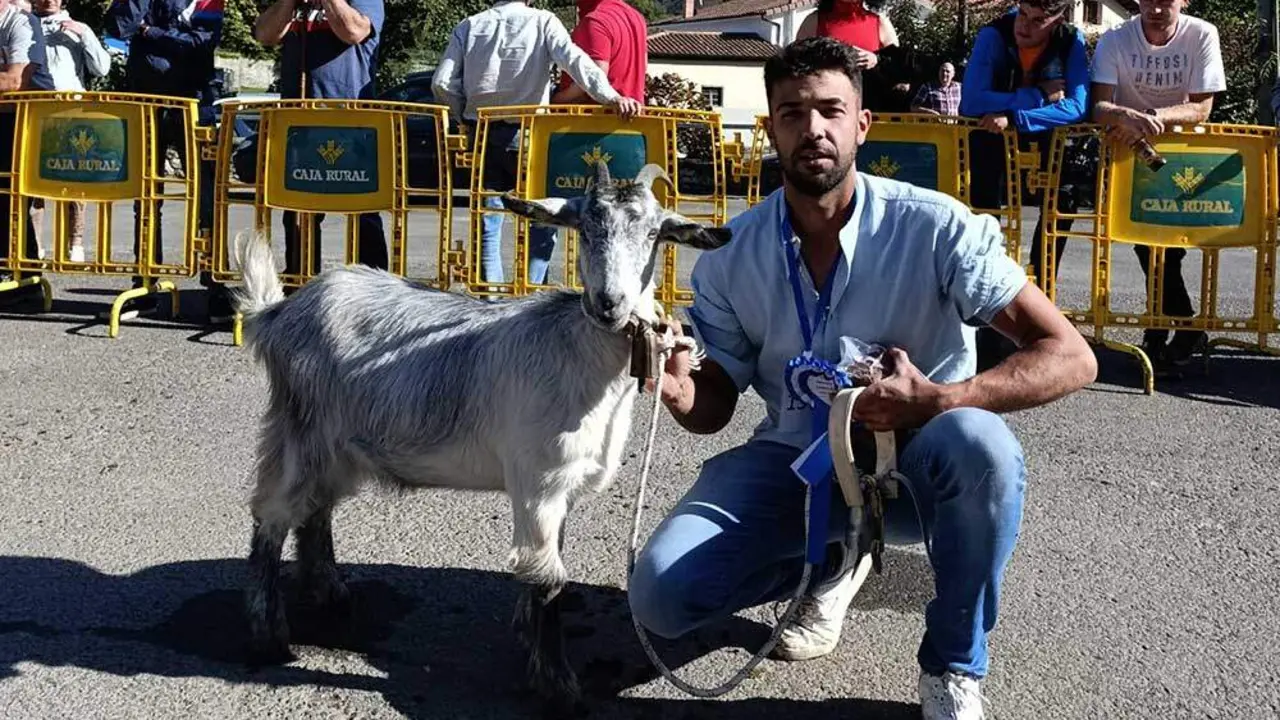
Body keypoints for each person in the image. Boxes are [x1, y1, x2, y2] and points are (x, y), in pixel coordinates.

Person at [627, 37, 1097, 720]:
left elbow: (1071, 354)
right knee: (662, 600)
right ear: (770, 128)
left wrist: (944, 399)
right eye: (791, 113)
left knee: (981, 445)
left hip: (918, 465)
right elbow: (714, 408)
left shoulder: (935, 228)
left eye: (830, 111)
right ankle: (831, 562)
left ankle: (953, 664)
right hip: (796, 464)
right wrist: (678, 389)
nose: (812, 129)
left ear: (862, 124)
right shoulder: (731, 257)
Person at [431, 0, 641, 285]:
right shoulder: (543, 21)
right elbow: (576, 61)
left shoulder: (469, 25)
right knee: (541, 221)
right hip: (531, 134)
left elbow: (441, 83)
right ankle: (529, 296)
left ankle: (491, 298)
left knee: (488, 221)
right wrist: (611, 97)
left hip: (482, 132)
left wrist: (464, 114)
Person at [1091, 0, 1225, 372]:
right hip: (1131, 153)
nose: (1155, 8)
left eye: (1165, 0)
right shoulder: (1116, 38)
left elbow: (1202, 108)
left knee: (1168, 244)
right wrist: (1124, 115)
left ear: (1183, 1)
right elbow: (1098, 106)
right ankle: (1175, 326)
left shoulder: (1201, 34)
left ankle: (1169, 327)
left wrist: (1153, 117)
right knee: (1145, 242)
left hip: (1184, 154)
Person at [105, 0, 229, 322]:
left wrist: (150, 32)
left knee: (206, 198)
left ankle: (215, 286)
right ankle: (144, 283)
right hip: (147, 102)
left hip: (194, 101)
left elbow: (200, 42)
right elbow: (118, 27)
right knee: (146, 199)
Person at [254, 0, 388, 280]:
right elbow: (265, 34)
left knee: (361, 210)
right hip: (299, 125)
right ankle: (300, 282)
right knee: (297, 209)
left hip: (349, 124)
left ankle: (374, 286)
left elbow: (353, 31)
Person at [959, 0, 1089, 288]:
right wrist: (1037, 97)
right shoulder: (992, 34)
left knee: (1064, 200)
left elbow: (1077, 107)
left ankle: (1042, 287)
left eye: (1037, 20)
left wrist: (1014, 116)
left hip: (1039, 135)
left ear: (1058, 21)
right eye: (1022, 14)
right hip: (990, 137)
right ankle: (986, 285)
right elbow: (971, 101)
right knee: (985, 208)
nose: (1024, 26)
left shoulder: (1071, 39)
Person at [539, 0, 648, 286]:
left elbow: (592, 77)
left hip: (584, 133)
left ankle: (534, 287)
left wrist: (551, 102)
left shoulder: (595, 21)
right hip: (631, 135)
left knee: (545, 217)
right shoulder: (635, 17)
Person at [30, 0, 112, 264]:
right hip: (36, 110)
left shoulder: (77, 27)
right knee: (33, 181)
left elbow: (102, 68)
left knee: (73, 179)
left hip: (72, 111)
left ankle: (75, 243)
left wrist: (84, 34)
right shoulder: (25, 24)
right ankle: (35, 245)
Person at [0, 0, 55, 299]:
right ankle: (24, 277)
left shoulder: (21, 22)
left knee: (11, 199)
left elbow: (14, 81)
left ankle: (25, 278)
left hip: (27, 120)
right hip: (5, 116)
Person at [795, 0, 908, 111]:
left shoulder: (879, 22)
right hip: (827, 105)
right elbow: (796, 64)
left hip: (871, 106)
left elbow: (899, 66)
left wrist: (876, 58)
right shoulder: (813, 21)